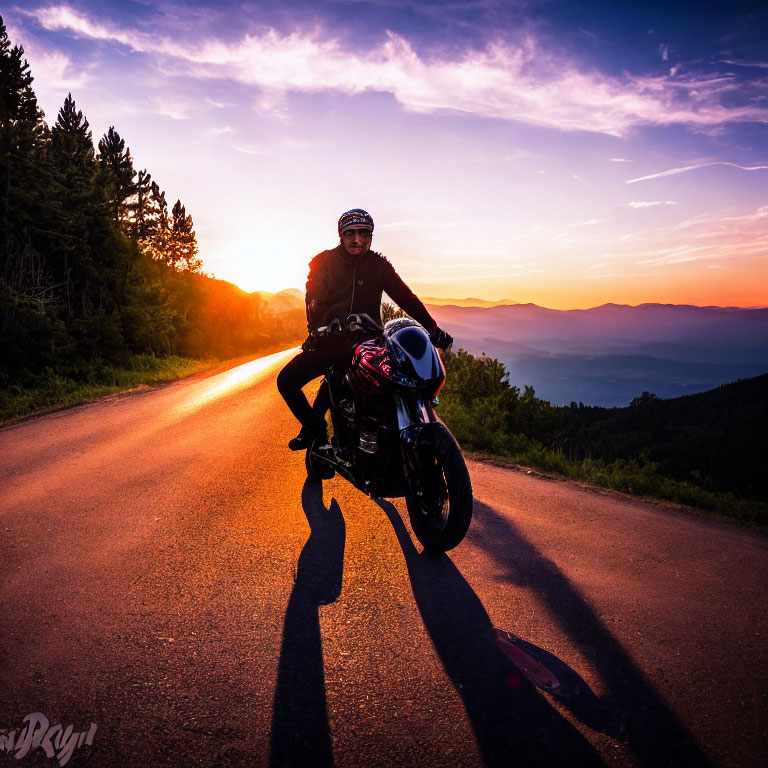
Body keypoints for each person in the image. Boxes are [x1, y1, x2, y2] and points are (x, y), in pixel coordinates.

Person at [277, 208, 452, 451]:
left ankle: (389, 437)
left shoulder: (379, 265)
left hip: (369, 346)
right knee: (286, 381)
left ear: (370, 236)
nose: (356, 239)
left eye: (363, 233)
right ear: (341, 236)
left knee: (391, 388)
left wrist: (433, 329)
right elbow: (313, 298)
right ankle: (316, 429)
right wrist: (315, 330)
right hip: (330, 343)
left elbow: (405, 297)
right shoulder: (323, 262)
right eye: (350, 233)